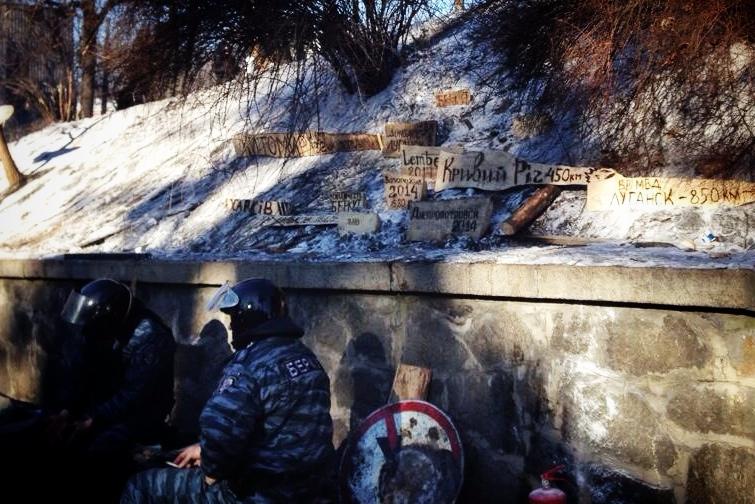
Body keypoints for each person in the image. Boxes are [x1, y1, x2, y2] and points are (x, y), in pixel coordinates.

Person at [121, 278, 335, 503]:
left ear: (248, 317)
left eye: (234, 317)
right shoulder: (307, 358)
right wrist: (202, 449)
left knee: (139, 485)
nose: (231, 326)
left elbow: (220, 432)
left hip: (258, 493)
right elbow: (278, 429)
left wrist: (211, 466)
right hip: (310, 490)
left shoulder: (248, 365)